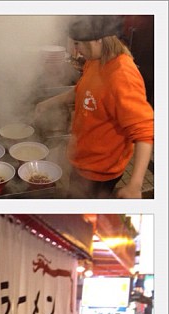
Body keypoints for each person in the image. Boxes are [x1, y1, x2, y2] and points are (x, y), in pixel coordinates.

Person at [35, 15, 154, 199]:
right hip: (81, 161)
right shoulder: (95, 60)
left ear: (99, 39)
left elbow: (145, 132)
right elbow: (81, 91)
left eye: (78, 44)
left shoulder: (122, 75)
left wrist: (135, 185)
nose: (76, 51)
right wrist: (47, 104)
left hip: (100, 172)